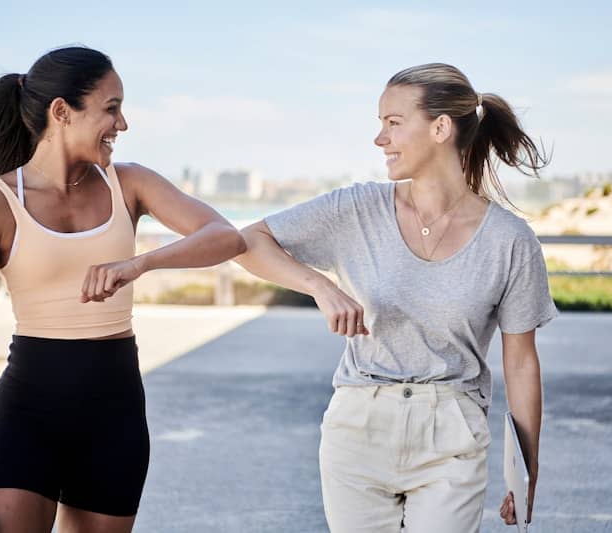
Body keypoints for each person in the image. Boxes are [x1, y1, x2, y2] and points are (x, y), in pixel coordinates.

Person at [0, 46, 246, 533]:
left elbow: (225, 236)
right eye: (111, 108)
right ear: (62, 112)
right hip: (27, 412)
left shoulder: (129, 183)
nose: (122, 125)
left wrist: (139, 263)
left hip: (113, 411)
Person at [235, 63, 557, 532]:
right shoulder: (356, 209)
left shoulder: (510, 241)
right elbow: (250, 241)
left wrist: (526, 470)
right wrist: (320, 286)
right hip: (359, 427)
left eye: (393, 123)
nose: (379, 139)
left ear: (441, 128)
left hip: (452, 435)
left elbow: (522, 363)